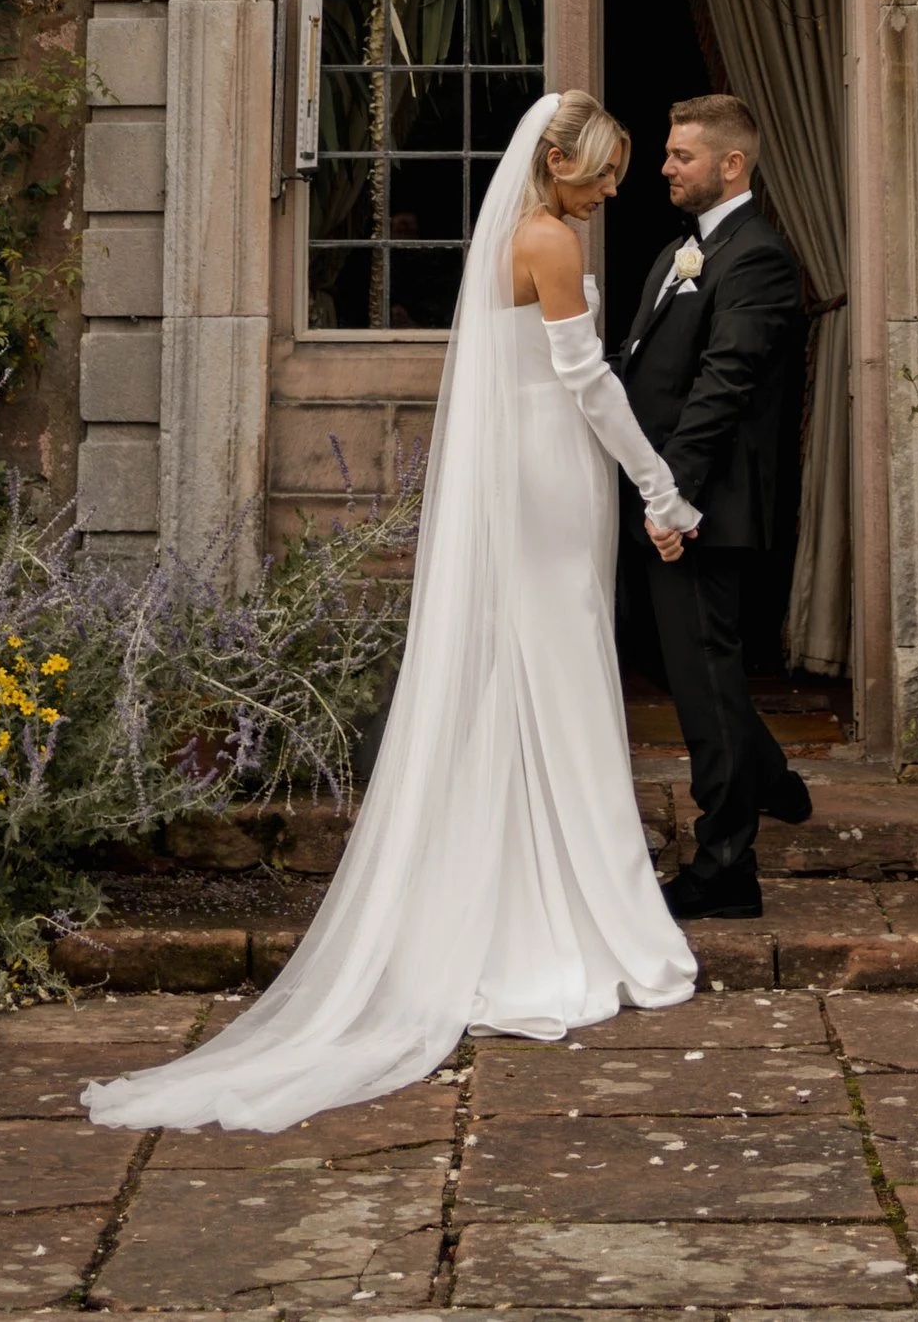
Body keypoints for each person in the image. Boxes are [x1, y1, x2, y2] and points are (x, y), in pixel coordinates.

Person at [79, 91, 699, 1134]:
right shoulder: (545, 239)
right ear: (557, 163)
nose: (608, 196)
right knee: (561, 671)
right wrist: (658, 487)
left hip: (533, 475)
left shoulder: (513, 230)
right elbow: (588, 386)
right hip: (552, 476)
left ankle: (534, 883)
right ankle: (573, 911)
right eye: (600, 176)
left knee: (538, 674)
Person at [617, 92, 812, 922]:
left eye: (681, 154)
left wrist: (675, 498)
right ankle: (767, 776)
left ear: (731, 164)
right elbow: (642, 368)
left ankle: (727, 864)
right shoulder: (677, 254)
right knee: (687, 667)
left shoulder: (758, 257)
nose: (664, 165)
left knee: (703, 681)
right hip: (667, 497)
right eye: (667, 151)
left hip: (708, 506)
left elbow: (722, 385)